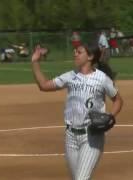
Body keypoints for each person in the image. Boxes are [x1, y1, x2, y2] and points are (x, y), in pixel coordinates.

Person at [31, 44, 123, 180]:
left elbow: (118, 100)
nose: (75, 54)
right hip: (70, 137)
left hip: (91, 135)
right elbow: (44, 86)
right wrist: (35, 62)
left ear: (90, 57)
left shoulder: (102, 78)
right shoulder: (70, 76)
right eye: (75, 51)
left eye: (79, 52)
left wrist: (110, 116)